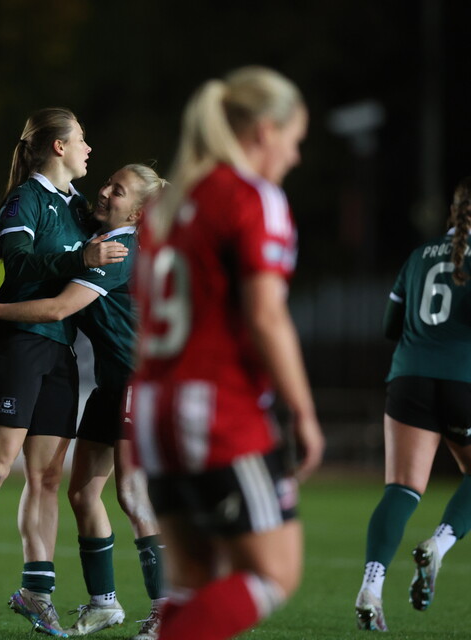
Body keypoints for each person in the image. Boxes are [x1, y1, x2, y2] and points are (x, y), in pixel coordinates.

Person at [129, 66, 325, 640]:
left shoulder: (166, 206)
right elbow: (265, 314)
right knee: (274, 574)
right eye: (294, 140)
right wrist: (304, 412)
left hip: (153, 409)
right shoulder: (252, 197)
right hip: (216, 410)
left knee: (192, 580)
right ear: (264, 131)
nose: (294, 156)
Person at [0, 108, 128, 637]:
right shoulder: (26, 200)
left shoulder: (77, 208)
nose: (90, 149)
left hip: (58, 348)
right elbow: (17, 263)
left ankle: (36, 590)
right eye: (82, 140)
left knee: (45, 476)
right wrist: (78, 260)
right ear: (59, 147)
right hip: (18, 343)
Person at [0, 164, 168, 638]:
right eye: (108, 182)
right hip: (113, 386)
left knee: (133, 495)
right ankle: (105, 603)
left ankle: (166, 607)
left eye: (118, 191)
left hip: (142, 382)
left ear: (137, 212)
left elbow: (58, 309)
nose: (104, 191)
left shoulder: (118, 251)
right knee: (80, 492)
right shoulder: (99, 239)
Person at [354, 176, 471, 631]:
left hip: (408, 378)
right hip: (463, 379)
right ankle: (438, 545)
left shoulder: (418, 256)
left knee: (401, 489)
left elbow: (390, 323)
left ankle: (371, 586)